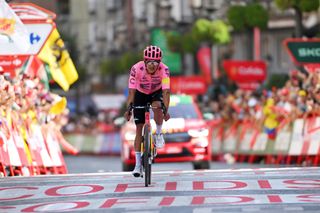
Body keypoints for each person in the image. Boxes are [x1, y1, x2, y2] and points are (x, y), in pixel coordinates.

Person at [124, 45, 170, 177]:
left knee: (158, 106)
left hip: (157, 92)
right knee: (139, 129)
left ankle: (159, 133)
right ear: (145, 62)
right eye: (150, 62)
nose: (152, 65)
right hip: (140, 93)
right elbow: (131, 92)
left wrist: (166, 110)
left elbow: (166, 92)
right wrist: (128, 109)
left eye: (155, 62)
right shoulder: (136, 69)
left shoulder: (164, 70)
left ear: (159, 63)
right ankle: (138, 165)